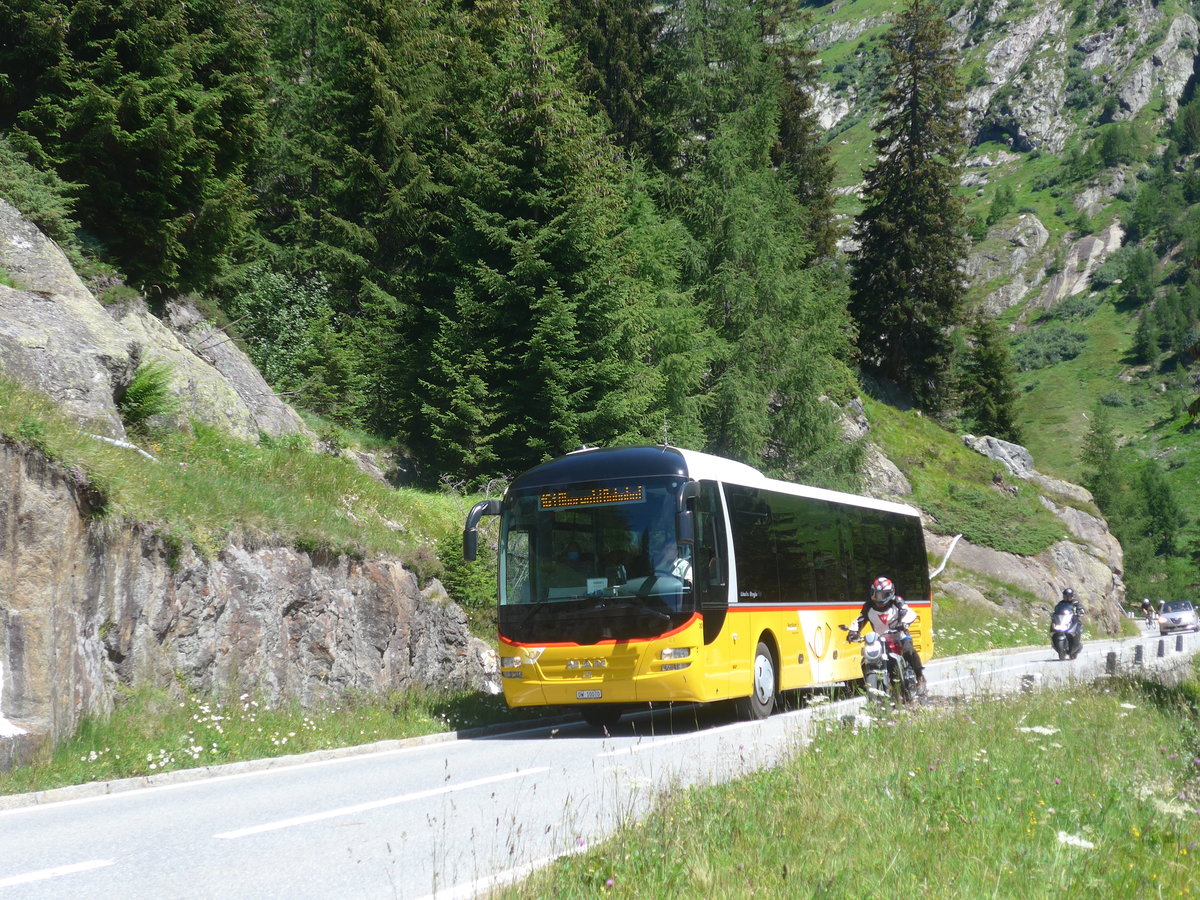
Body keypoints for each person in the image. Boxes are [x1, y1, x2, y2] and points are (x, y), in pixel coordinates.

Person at [847, 576, 926, 693]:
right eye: (875, 594)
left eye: (882, 595)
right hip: (880, 639)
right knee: (866, 659)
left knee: (908, 650)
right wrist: (853, 632)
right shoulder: (868, 606)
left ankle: (919, 677)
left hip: (900, 635)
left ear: (890, 594)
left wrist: (904, 623)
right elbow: (860, 620)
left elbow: (909, 612)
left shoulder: (897, 602)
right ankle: (871, 684)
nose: (878, 598)